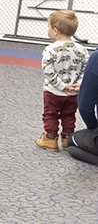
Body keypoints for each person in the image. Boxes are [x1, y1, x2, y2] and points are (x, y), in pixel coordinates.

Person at [36, 10, 87, 151]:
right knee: (69, 115)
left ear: (55, 31)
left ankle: (50, 139)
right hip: (73, 93)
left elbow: (48, 70)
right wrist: (79, 84)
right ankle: (67, 140)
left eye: (49, 28)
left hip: (53, 92)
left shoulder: (50, 49)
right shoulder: (82, 49)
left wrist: (61, 86)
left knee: (50, 115)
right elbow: (86, 69)